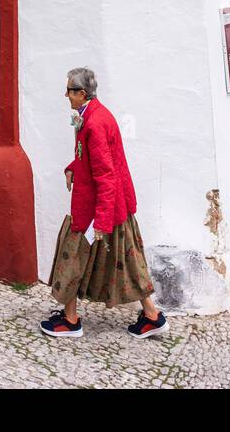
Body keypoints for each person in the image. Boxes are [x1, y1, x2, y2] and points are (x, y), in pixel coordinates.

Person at [40, 67, 168, 339]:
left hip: (95, 207)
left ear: (82, 93)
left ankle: (71, 321)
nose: (66, 95)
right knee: (128, 261)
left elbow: (106, 175)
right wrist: (73, 166)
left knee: (71, 257)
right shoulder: (93, 114)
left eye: (69, 91)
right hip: (114, 205)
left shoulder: (95, 123)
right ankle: (152, 315)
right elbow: (88, 157)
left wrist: (100, 221)